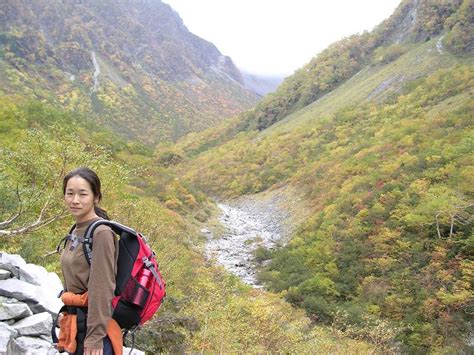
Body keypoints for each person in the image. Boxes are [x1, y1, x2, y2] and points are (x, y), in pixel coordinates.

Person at [59, 167, 121, 355]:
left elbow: (102, 288)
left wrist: (94, 338)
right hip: (76, 323)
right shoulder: (76, 230)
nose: (75, 200)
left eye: (82, 194)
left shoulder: (101, 233)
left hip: (91, 329)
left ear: (96, 197)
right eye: (70, 193)